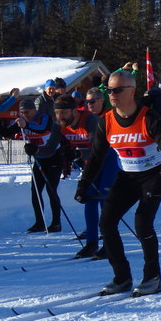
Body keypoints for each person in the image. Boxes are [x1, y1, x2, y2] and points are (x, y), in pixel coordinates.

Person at [74, 69, 161, 297]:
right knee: (106, 222)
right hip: (126, 176)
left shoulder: (149, 118)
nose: (112, 95)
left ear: (131, 91)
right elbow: (96, 157)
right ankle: (121, 277)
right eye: (109, 90)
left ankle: (152, 277)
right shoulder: (107, 121)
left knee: (142, 223)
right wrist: (84, 184)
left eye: (117, 90)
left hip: (152, 176)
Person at [54, 94, 118, 258]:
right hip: (90, 164)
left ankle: (109, 244)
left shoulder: (90, 120)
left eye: (64, 112)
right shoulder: (61, 124)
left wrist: (78, 154)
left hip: (107, 160)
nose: (60, 116)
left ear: (75, 111)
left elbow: (99, 148)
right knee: (88, 199)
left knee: (104, 200)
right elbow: (53, 146)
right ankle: (91, 243)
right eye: (57, 113)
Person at [0, 99, 63, 232]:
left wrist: (26, 125)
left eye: (27, 112)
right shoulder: (22, 121)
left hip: (54, 158)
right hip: (39, 159)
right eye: (21, 112)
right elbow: (7, 133)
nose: (24, 115)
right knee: (35, 191)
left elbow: (41, 129)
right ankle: (40, 222)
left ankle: (56, 223)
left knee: (51, 190)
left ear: (34, 110)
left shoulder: (44, 118)